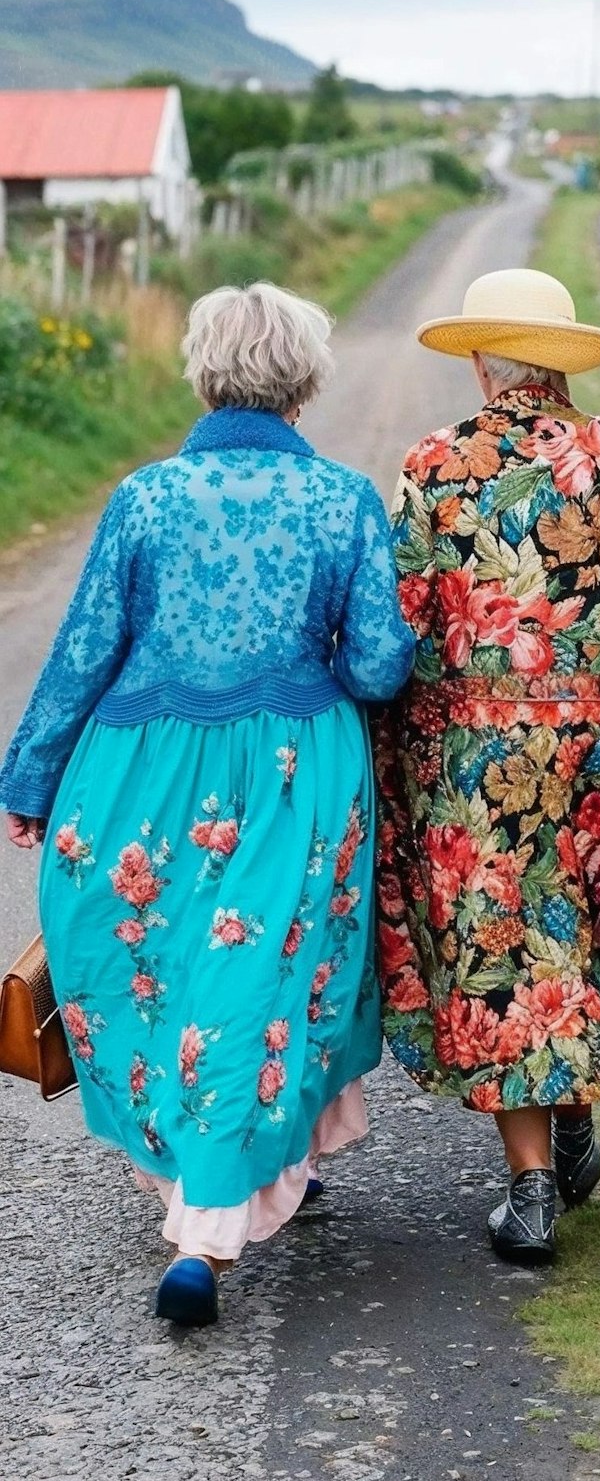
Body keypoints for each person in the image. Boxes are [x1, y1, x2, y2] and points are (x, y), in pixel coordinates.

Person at [0, 282, 414, 1327]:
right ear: (306, 378)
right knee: (263, 968)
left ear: (204, 369)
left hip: (141, 772)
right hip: (294, 774)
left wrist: (31, 780)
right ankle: (224, 1196)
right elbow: (375, 666)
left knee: (172, 967)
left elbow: (84, 649)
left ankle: (207, 1218)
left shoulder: (142, 498)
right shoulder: (345, 501)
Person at [374, 267, 600, 1267]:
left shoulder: (435, 461)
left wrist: (375, 720)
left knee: (503, 941)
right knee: (576, 920)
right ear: (561, 362)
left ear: (481, 358)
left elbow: (406, 614)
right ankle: (574, 1115)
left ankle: (534, 1183)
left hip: (469, 752)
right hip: (596, 743)